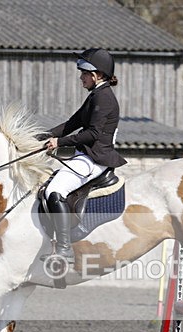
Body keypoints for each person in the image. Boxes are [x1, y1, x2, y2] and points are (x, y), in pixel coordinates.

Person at [38, 47, 127, 264]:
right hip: (86, 156)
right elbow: (72, 123)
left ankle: (65, 249)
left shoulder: (104, 98)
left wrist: (59, 142)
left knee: (54, 190)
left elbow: (93, 134)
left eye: (84, 73)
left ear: (96, 75)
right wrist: (42, 136)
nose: (81, 77)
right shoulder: (95, 96)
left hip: (95, 158)